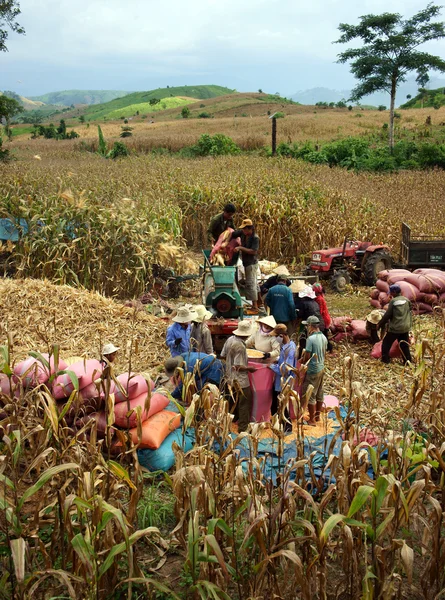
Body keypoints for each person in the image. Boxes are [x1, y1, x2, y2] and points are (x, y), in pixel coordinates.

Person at [220, 320, 256, 432]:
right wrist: (249, 368)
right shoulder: (240, 346)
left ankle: (233, 418)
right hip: (240, 379)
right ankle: (243, 427)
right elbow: (238, 366)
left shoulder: (230, 339)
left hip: (229, 376)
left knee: (233, 399)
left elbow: (222, 355)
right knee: (244, 402)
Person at [301, 315, 328, 426]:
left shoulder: (310, 339)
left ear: (311, 326)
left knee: (310, 393)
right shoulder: (323, 337)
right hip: (321, 367)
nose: (307, 328)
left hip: (313, 369)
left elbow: (307, 356)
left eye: (307, 325)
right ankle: (317, 416)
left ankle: (311, 420)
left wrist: (301, 363)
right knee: (319, 392)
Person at [269, 324, 296, 432]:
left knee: (282, 403)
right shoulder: (288, 345)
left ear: (282, 336)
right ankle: (279, 421)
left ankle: (287, 426)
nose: (276, 339)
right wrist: (277, 360)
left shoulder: (289, 350)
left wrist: (271, 366)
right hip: (280, 381)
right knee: (277, 403)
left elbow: (285, 369)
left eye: (277, 336)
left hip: (284, 381)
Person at [230, 219, 260, 315]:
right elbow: (233, 234)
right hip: (246, 263)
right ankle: (258, 303)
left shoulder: (255, 238)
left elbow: (253, 251)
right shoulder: (243, 234)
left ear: (249, 228)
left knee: (251, 284)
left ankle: (255, 307)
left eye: (244, 229)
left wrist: (240, 248)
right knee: (254, 284)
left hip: (251, 263)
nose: (243, 231)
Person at [378, 284, 412, 364]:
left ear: (394, 292)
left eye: (391, 292)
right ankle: (407, 361)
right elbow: (409, 310)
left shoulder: (393, 301)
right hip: (405, 327)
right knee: (404, 345)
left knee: (386, 343)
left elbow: (387, 315)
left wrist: (380, 324)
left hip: (395, 328)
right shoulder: (407, 300)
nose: (390, 294)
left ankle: (385, 360)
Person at [312, 283, 332, 352]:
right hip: (325, 318)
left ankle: (329, 348)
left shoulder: (319, 299)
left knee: (324, 335)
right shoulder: (320, 297)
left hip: (324, 319)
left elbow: (319, 311)